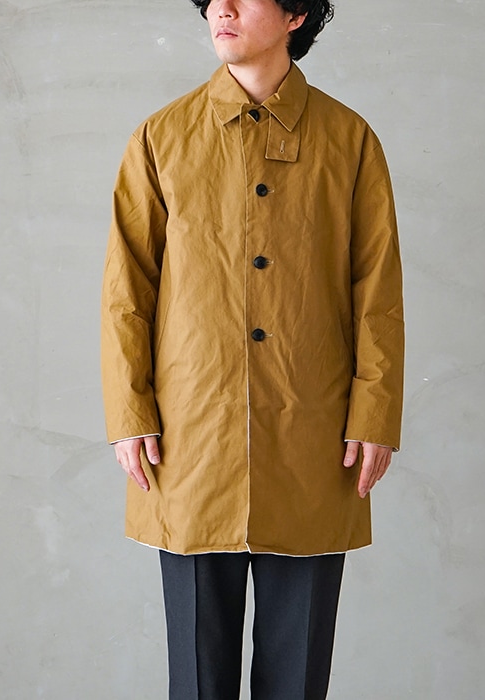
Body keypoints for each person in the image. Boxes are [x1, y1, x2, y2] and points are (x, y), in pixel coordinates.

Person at [101, 0, 404, 697]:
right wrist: (129, 413)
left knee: (297, 679)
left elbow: (377, 292)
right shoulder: (161, 137)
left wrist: (375, 414)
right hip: (189, 439)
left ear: (296, 14)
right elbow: (126, 292)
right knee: (198, 680)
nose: (223, 9)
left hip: (315, 439)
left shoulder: (350, 140)